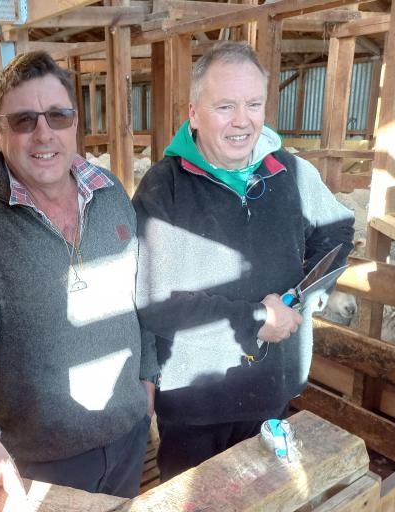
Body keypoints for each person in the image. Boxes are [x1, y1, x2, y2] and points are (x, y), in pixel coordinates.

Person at [0, 51, 159, 512]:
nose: (44, 133)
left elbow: (140, 294)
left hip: (128, 438)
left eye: (58, 116)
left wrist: (148, 376)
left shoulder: (109, 193)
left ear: (75, 123)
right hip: (42, 464)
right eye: (24, 120)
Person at [132, 42, 355, 482]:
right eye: (225, 106)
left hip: (272, 392)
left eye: (254, 104)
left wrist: (304, 299)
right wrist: (256, 318)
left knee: (267, 496)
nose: (242, 120)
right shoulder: (165, 188)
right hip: (194, 404)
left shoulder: (289, 172)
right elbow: (154, 301)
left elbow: (338, 229)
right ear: (194, 112)